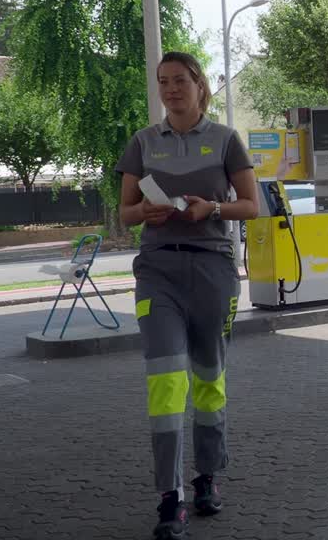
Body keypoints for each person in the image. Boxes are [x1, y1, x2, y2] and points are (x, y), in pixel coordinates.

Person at [116, 51, 258, 540]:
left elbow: (252, 206)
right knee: (165, 380)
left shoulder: (225, 140)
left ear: (199, 85)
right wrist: (145, 214)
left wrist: (212, 209)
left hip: (213, 271)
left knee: (208, 378)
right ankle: (169, 497)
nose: (171, 89)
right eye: (163, 82)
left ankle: (206, 477)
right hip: (157, 272)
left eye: (180, 80)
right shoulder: (143, 142)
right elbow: (126, 213)